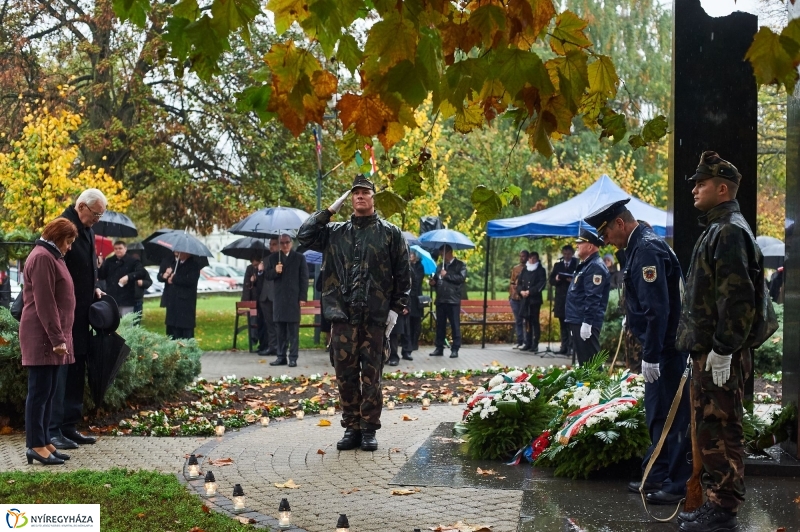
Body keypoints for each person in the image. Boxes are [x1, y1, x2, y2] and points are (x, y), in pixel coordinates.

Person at [675, 151, 776, 532]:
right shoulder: (720, 228)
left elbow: (737, 299)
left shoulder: (730, 230)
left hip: (721, 354)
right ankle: (717, 503)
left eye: (700, 184)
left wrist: (723, 348)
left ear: (722, 188)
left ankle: (723, 510)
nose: (694, 190)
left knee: (720, 428)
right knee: (709, 428)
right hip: (713, 352)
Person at [586, 198, 691, 507]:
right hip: (663, 347)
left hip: (666, 350)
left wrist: (653, 354)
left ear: (620, 223)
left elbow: (658, 309)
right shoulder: (639, 245)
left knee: (670, 414)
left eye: (606, 232)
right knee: (658, 412)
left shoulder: (645, 249)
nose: (605, 240)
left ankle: (678, 482)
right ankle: (657, 473)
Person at [297, 174, 410, 452]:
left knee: (372, 376)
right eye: (355, 192)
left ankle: (369, 429)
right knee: (345, 375)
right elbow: (304, 235)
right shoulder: (336, 233)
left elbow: (403, 276)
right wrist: (330, 210)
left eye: (365, 192)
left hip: (374, 318)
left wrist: (395, 310)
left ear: (373, 198)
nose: (360, 196)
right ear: (350, 198)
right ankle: (352, 428)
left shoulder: (389, 233)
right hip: (343, 318)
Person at [49, 188, 107, 450]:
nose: (97, 220)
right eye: (95, 214)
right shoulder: (64, 226)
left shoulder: (87, 228)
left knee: (76, 370)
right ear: (81, 206)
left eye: (99, 217)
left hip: (81, 313)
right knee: (62, 373)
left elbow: (84, 267)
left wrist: (92, 286)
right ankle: (54, 429)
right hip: (64, 315)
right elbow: (56, 269)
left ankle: (70, 425)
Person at [21, 218, 78, 465]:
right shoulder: (43, 257)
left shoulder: (51, 255)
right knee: (39, 392)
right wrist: (57, 337)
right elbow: (45, 302)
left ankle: (44, 440)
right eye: (68, 241)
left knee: (48, 392)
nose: (70, 247)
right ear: (57, 237)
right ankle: (35, 444)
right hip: (43, 336)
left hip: (53, 335)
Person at [563, 229, 610, 365]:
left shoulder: (595, 267)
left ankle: (597, 386)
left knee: (591, 362)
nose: (577, 245)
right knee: (585, 362)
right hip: (578, 319)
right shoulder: (587, 264)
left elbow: (593, 297)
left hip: (584, 321)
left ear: (590, 246)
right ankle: (588, 385)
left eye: (580, 243)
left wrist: (587, 322)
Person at [264, 233, 309, 367]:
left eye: (287, 242)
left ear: (292, 243)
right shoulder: (273, 259)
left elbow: (304, 279)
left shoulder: (299, 258)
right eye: (282, 243)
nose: (284, 245)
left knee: (293, 331)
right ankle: (281, 356)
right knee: (280, 331)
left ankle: (293, 357)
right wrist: (275, 271)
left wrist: (302, 297)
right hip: (279, 299)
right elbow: (267, 275)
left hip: (294, 299)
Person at [429, 245, 466, 358]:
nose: (441, 255)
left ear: (449, 252)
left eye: (442, 253)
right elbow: (437, 280)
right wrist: (433, 283)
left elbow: (461, 278)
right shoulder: (440, 266)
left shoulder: (460, 265)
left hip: (453, 300)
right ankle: (439, 347)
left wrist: (447, 275)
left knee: (455, 325)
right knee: (440, 325)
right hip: (441, 300)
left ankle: (455, 348)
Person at [159, 251, 202, 339]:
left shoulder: (193, 265)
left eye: (179, 252)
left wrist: (174, 278)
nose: (176, 253)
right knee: (172, 329)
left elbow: (190, 280)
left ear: (187, 253)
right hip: (172, 301)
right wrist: (166, 275)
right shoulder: (173, 263)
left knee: (185, 329)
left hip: (185, 302)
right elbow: (161, 276)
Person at [97, 241, 146, 317]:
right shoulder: (109, 261)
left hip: (126, 298)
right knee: (112, 322)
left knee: (126, 324)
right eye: (116, 248)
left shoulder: (132, 261)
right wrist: (99, 266)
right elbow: (102, 276)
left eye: (120, 248)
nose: (118, 250)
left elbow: (142, 272)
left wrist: (128, 277)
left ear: (125, 249)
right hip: (112, 297)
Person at [516, 251, 546, 352]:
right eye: (530, 258)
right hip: (525, 299)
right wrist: (521, 291)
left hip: (534, 300)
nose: (532, 260)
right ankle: (527, 342)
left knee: (534, 321)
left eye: (534, 259)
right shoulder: (525, 269)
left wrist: (530, 291)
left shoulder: (540, 270)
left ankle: (535, 343)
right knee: (526, 321)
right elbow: (519, 283)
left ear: (537, 259)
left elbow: (541, 284)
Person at [549, 245, 577, 355]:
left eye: (569, 254)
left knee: (571, 325)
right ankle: (564, 346)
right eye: (565, 254)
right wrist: (556, 279)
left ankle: (571, 347)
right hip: (561, 299)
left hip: (571, 299)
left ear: (572, 253)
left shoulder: (576, 263)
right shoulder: (558, 265)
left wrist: (573, 280)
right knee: (562, 324)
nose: (567, 256)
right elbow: (551, 281)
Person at [256, 238, 279, 356]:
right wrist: (259, 272)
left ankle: (280, 347)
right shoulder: (265, 260)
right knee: (269, 324)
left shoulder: (282, 259)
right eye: (270, 244)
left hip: (277, 296)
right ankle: (272, 346)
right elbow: (260, 282)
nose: (271, 246)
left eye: (274, 244)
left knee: (278, 323)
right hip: (265, 297)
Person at [126, 247, 152, 325]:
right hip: (126, 300)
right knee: (127, 322)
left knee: (137, 321)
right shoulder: (126, 269)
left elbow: (149, 282)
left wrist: (143, 283)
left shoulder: (142, 270)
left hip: (138, 300)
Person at [509, 250, 529, 349]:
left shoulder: (529, 268)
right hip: (515, 298)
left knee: (526, 320)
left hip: (524, 297)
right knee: (518, 320)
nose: (522, 258)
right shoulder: (515, 268)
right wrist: (513, 294)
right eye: (520, 256)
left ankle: (527, 341)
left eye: (524, 256)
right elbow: (512, 282)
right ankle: (519, 341)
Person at [407, 249, 426, 356]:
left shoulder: (419, 267)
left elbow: (417, 280)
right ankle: (409, 343)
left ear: (416, 256)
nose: (410, 255)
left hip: (416, 298)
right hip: (409, 298)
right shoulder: (407, 265)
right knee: (409, 321)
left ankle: (415, 342)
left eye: (412, 254)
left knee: (416, 321)